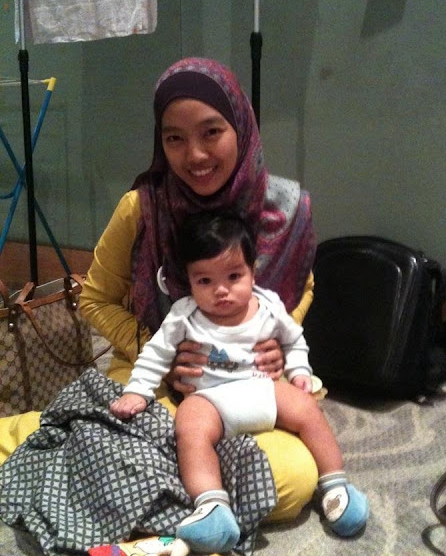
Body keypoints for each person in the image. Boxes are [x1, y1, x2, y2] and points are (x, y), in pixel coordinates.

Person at [0, 57, 313, 522]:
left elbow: (303, 288)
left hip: (251, 377)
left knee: (293, 480)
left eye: (211, 132)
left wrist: (275, 347)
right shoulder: (142, 207)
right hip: (153, 376)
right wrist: (161, 352)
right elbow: (95, 298)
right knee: (122, 445)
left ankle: (149, 483)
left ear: (241, 127)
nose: (195, 155)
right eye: (174, 138)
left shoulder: (285, 207)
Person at [111, 211, 369, 553]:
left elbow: (294, 340)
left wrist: (299, 371)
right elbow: (156, 354)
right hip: (210, 398)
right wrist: (138, 391)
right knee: (189, 426)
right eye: (204, 281)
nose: (221, 291)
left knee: (307, 409)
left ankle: (335, 485)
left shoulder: (269, 305)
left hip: (263, 388)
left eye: (234, 276)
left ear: (253, 271)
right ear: (188, 281)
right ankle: (210, 504)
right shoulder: (184, 315)